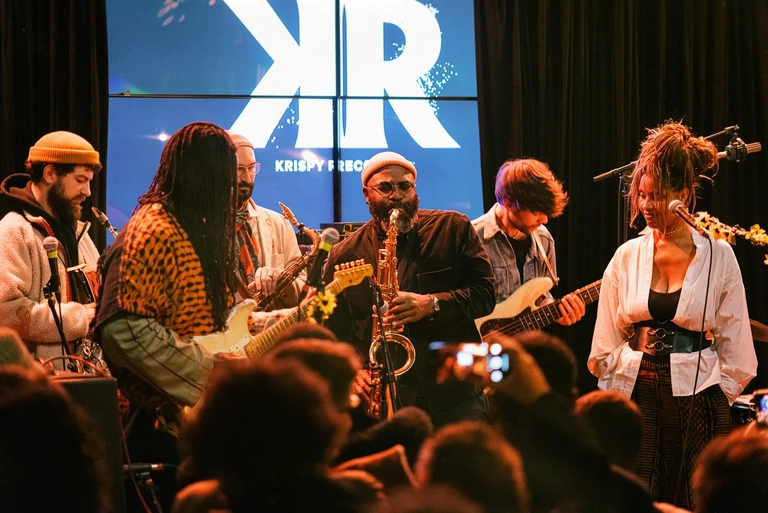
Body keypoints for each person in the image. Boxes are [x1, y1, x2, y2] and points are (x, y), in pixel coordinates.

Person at [589, 120, 757, 509]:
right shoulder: (627, 255)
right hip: (635, 392)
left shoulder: (717, 253)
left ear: (682, 195)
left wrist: (717, 396)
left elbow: (736, 341)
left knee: (692, 497)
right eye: (641, 195)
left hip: (697, 398)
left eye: (657, 196)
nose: (646, 206)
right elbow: (606, 339)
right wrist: (617, 384)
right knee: (633, 495)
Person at [323, 151, 496, 428]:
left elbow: (486, 295)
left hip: (457, 390)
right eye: (385, 187)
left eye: (405, 186)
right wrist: (352, 370)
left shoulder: (453, 228)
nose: (397, 195)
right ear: (367, 194)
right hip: (385, 396)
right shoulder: (345, 254)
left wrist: (432, 304)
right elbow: (333, 332)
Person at [0, 131, 102, 367]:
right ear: (50, 174)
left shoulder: (79, 233)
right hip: (39, 385)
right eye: (80, 180)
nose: (87, 192)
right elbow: (6, 313)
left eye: (89, 181)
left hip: (85, 381)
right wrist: (83, 317)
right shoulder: (14, 231)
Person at [472, 158, 585, 325]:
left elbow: (541, 297)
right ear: (508, 202)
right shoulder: (472, 238)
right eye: (535, 212)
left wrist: (558, 313)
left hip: (526, 339)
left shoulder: (544, 239)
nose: (544, 220)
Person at [227, 132, 306, 308]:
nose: (247, 178)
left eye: (252, 168)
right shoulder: (199, 226)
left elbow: (303, 290)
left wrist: (282, 282)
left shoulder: (279, 223)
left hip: (274, 324)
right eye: (239, 169)